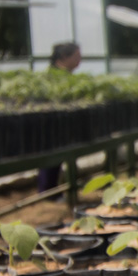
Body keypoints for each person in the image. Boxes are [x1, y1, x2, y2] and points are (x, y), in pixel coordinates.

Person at [36, 42, 81, 194]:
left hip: (61, 127)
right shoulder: (52, 77)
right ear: (63, 57)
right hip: (50, 125)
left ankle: (53, 190)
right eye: (76, 56)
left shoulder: (66, 76)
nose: (80, 60)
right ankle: (47, 192)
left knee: (57, 161)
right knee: (50, 160)